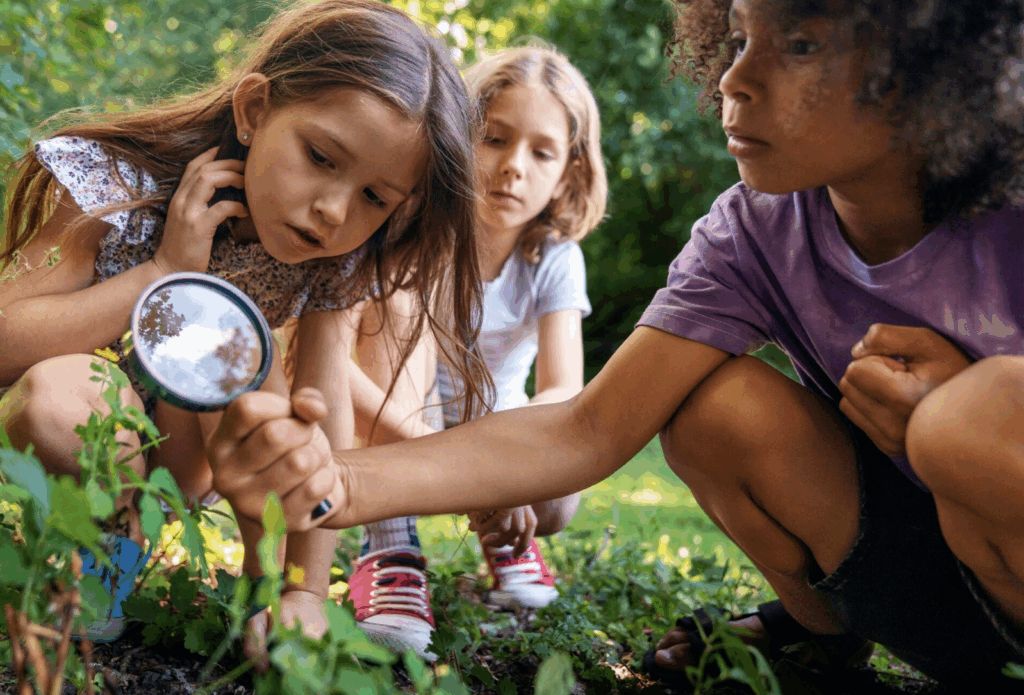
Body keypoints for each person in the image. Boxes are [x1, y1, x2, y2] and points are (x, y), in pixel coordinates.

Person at [209, 0, 1024, 686]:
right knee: (716, 409)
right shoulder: (753, 233)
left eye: (800, 46)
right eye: (738, 38)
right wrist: (330, 480)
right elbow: (588, 426)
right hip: (922, 585)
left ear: (925, 67)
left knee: (971, 417)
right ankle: (825, 636)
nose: (736, 79)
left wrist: (967, 407)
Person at [0, 0, 491, 658]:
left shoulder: (330, 263)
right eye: (321, 156)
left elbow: (320, 422)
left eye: (374, 197)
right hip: (79, 418)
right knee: (66, 391)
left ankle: (263, 591)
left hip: (190, 455)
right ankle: (109, 543)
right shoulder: (118, 180)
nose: (332, 209)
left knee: (246, 364)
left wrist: (306, 592)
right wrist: (162, 270)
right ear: (255, 110)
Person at [337, 46, 608, 659]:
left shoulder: (554, 257)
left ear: (569, 172)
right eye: (494, 139)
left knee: (560, 496)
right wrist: (466, 477)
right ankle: (390, 543)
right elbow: (338, 371)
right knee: (397, 315)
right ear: (460, 137)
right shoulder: (413, 228)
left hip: (494, 427)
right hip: (396, 417)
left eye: (541, 153)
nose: (514, 167)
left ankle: (506, 536)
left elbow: (564, 388)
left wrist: (508, 474)